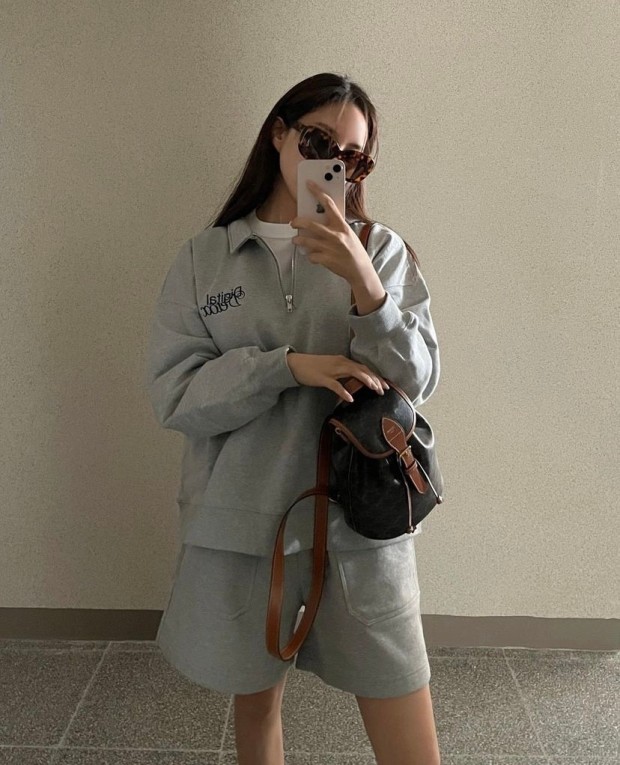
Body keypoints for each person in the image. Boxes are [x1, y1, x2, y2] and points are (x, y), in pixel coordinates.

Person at [145, 72, 441, 765]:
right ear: (279, 133)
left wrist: (366, 285)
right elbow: (175, 394)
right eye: (317, 141)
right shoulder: (205, 260)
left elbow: (418, 380)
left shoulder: (381, 250)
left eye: (353, 157)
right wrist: (285, 367)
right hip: (244, 528)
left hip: (361, 525)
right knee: (258, 712)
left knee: (407, 724)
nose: (333, 162)